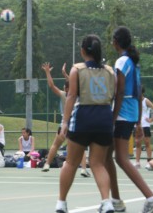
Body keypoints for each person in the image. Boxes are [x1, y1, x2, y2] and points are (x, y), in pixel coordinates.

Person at [106, 27, 153, 213]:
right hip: (131, 114)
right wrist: (138, 121)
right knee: (110, 157)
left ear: (116, 41)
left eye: (112, 39)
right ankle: (116, 201)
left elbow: (120, 91)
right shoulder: (134, 62)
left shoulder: (122, 61)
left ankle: (150, 197)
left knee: (120, 159)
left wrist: (113, 117)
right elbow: (139, 93)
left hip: (122, 114)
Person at [55, 34, 116, 213]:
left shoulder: (77, 69)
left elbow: (72, 96)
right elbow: (113, 96)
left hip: (83, 117)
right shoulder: (110, 71)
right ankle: (106, 202)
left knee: (71, 162)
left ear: (82, 51)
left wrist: (65, 122)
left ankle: (61, 203)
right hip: (104, 117)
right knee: (98, 163)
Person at [41, 62, 90, 177]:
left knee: (55, 145)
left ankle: (47, 164)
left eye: (64, 86)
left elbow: (51, 85)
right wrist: (65, 74)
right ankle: (83, 169)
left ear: (66, 87)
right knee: (80, 148)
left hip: (64, 124)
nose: (63, 87)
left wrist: (47, 72)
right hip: (75, 124)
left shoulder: (64, 95)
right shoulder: (78, 96)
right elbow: (75, 84)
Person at [134, 86, 153, 170]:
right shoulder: (134, 101)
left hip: (145, 125)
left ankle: (149, 162)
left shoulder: (146, 101)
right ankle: (137, 162)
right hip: (137, 125)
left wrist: (151, 120)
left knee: (147, 143)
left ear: (142, 92)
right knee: (138, 144)